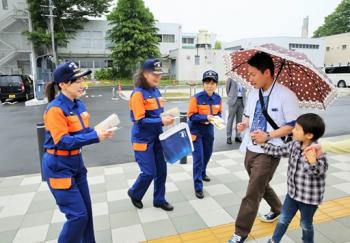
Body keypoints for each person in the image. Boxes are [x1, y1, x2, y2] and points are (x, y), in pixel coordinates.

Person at [228, 52, 299, 243]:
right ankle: (279, 210)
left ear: (266, 72)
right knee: (260, 184)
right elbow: (249, 117)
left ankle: (240, 232)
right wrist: (244, 124)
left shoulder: (286, 95)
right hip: (251, 148)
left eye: (252, 74)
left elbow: (292, 125)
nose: (249, 79)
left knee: (252, 193)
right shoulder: (253, 93)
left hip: (269, 152)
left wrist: (268, 135)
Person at [42, 61, 114, 243]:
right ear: (63, 85)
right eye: (76, 80)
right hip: (58, 166)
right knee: (77, 216)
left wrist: (100, 130)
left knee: (87, 214)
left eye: (83, 79)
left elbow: (83, 133)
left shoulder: (79, 105)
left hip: (76, 164)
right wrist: (95, 137)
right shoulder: (55, 109)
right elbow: (63, 141)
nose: (82, 84)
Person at [261, 113, 328, 243]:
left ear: (309, 135)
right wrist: (263, 144)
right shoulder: (294, 145)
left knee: (305, 224)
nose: (293, 130)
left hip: (309, 199)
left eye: (297, 129)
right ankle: (274, 240)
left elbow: (320, 171)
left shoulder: (318, 151)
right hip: (292, 194)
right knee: (283, 219)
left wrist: (313, 162)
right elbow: (279, 151)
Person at [127, 59, 175, 211]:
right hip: (142, 139)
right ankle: (134, 193)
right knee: (148, 172)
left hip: (157, 137)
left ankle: (159, 199)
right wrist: (161, 121)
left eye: (160, 74)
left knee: (161, 170)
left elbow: (156, 113)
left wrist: (166, 116)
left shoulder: (155, 91)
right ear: (144, 74)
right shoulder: (137, 94)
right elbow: (139, 121)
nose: (158, 77)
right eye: (155, 74)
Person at [188, 70, 222, 199]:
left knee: (207, 155)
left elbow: (219, 113)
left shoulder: (218, 98)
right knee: (198, 159)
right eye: (207, 82)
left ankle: (202, 173)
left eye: (213, 82)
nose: (210, 85)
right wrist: (206, 117)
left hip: (209, 131)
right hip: (196, 131)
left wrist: (218, 119)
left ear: (216, 84)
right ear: (203, 84)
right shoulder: (196, 98)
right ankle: (198, 186)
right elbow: (191, 116)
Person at [226, 77, 246, 144]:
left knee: (239, 120)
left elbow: (245, 88)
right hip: (233, 100)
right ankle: (229, 137)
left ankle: (238, 136)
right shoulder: (231, 77)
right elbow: (227, 89)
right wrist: (230, 96)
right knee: (230, 119)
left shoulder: (244, 77)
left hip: (242, 100)